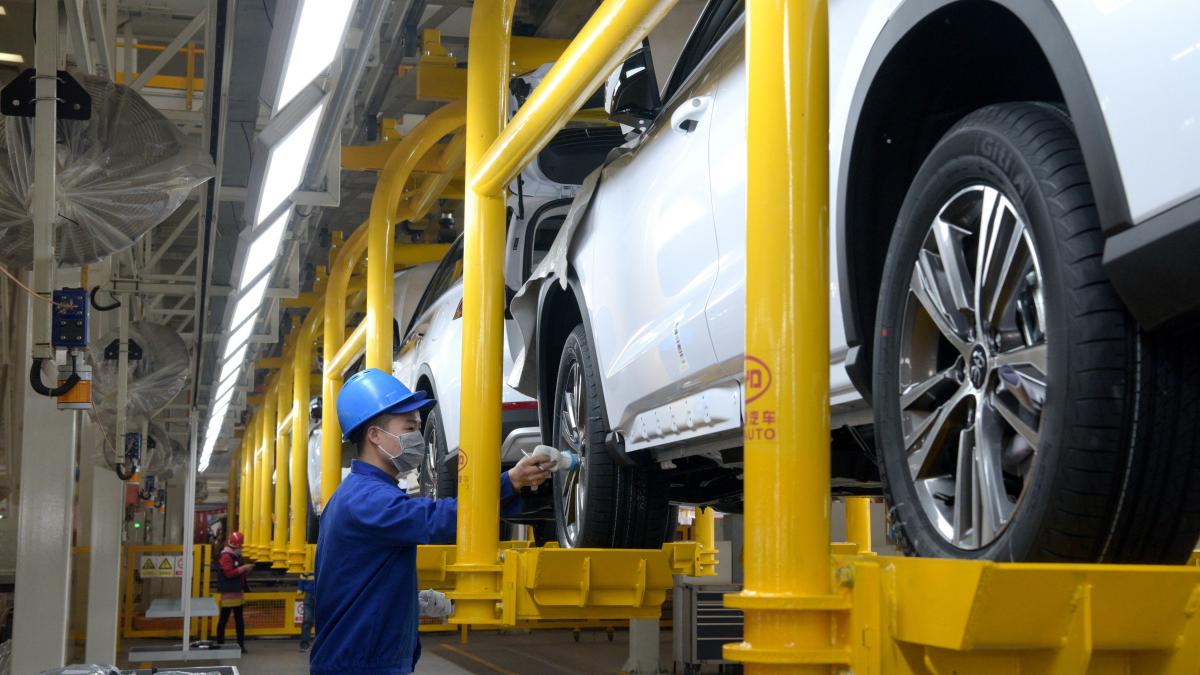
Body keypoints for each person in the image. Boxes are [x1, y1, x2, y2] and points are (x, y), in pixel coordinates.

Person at [309, 368, 551, 674]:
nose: (418, 437)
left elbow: (359, 576)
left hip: (358, 659)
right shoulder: (366, 499)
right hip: (361, 664)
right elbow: (437, 520)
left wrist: (409, 600)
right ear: (374, 435)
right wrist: (510, 482)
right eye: (409, 426)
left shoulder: (354, 495)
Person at [214, 531, 252, 653]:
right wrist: (243, 568)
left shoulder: (234, 556)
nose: (241, 549)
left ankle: (241, 645)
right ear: (236, 546)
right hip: (229, 594)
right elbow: (229, 573)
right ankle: (220, 643)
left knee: (239, 620)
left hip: (237, 592)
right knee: (224, 619)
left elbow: (237, 572)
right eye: (240, 546)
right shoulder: (226, 556)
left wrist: (245, 570)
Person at [297, 568, 316, 651]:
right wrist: (300, 589)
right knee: (307, 621)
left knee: (308, 621)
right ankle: (304, 644)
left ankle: (305, 644)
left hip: (314, 595)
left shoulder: (309, 565)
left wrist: (300, 589)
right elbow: (302, 576)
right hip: (312, 595)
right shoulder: (309, 566)